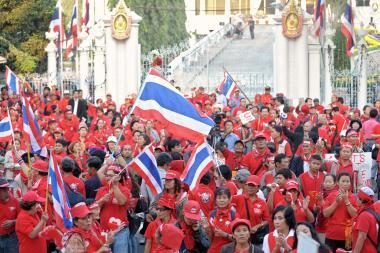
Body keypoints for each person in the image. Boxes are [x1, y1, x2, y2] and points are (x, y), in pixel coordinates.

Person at [95, 165, 132, 253]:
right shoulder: (102, 190)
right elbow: (94, 209)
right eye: (107, 175)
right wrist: (102, 200)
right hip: (104, 231)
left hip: (120, 232)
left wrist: (115, 186)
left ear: (118, 177)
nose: (107, 178)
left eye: (110, 175)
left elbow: (122, 202)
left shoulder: (125, 190)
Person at [323, 172, 358, 253]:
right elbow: (325, 214)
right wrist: (336, 202)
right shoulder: (331, 196)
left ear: (350, 183)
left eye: (347, 181)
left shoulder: (353, 197)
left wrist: (346, 200)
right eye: (343, 181)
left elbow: (355, 215)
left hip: (347, 236)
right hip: (332, 235)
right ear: (338, 183)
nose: (345, 183)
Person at [232, 175, 271, 245]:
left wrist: (258, 226)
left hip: (255, 236)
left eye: (253, 186)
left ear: (258, 187)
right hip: (241, 235)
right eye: (248, 185)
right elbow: (225, 201)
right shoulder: (238, 198)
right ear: (245, 186)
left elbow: (267, 220)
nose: (250, 188)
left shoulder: (262, 202)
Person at [208, 187, 237, 253]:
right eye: (219, 198)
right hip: (214, 250)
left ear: (229, 199)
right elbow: (211, 237)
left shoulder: (234, 215)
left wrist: (224, 234)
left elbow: (238, 238)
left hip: (229, 250)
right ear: (215, 200)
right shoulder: (212, 214)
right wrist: (207, 230)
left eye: (224, 198)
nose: (221, 200)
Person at [352, 186, 379, 253]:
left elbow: (362, 237)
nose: (356, 199)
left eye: (358, 197)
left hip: (365, 250)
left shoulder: (364, 215)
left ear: (362, 199)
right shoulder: (372, 211)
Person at [0, 178, 19, 253]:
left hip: (11, 239)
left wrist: (13, 222)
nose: (8, 191)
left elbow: (22, 219)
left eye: (7, 190)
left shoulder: (15, 201)